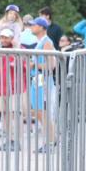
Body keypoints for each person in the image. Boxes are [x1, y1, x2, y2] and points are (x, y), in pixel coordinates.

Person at [27, 17, 58, 152]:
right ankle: (52, 139)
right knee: (37, 111)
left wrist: (34, 65)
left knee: (43, 111)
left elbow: (51, 65)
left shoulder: (46, 42)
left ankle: (51, 142)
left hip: (43, 80)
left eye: (34, 25)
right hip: (37, 80)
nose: (32, 27)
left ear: (41, 27)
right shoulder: (39, 42)